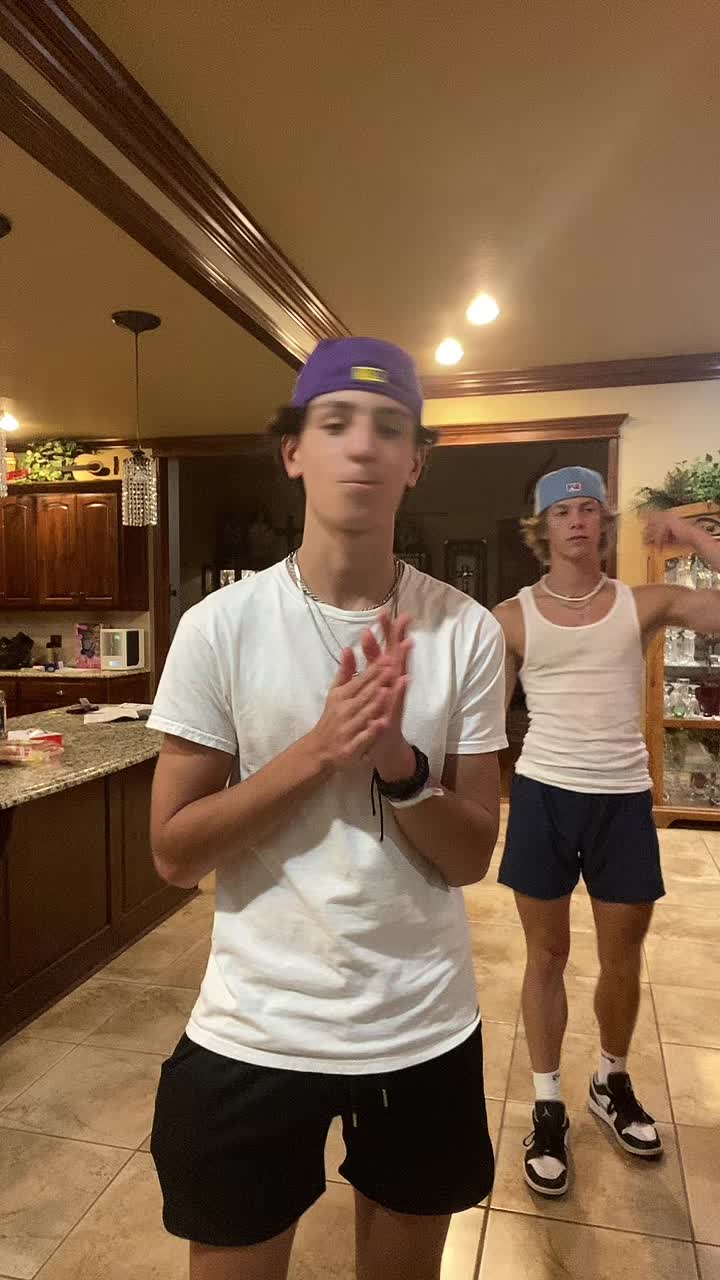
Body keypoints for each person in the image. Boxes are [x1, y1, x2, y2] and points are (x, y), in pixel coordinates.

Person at [148, 337, 508, 1280]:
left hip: (420, 1023)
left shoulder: (466, 632)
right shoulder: (218, 628)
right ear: (293, 451)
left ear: (415, 462)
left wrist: (398, 764)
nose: (362, 445)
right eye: (336, 422)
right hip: (257, 1023)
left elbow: (471, 857)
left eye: (390, 427)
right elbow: (175, 854)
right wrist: (319, 751)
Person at [494, 465, 720, 1197]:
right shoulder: (511, 617)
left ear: (603, 523)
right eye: (564, 513)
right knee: (546, 956)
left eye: (590, 509)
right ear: (543, 529)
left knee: (623, 957)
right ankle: (548, 1101)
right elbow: (479, 719)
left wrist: (694, 535)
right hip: (542, 796)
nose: (578, 521)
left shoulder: (641, 603)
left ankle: (610, 1081)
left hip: (622, 800)